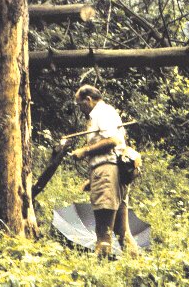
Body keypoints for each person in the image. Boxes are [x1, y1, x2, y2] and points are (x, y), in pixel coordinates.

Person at [70, 84, 138, 257]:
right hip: (111, 172)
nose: (80, 109)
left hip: (109, 173)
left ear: (88, 99)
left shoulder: (102, 112)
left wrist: (84, 150)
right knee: (122, 231)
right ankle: (138, 267)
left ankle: (100, 272)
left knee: (103, 230)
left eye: (80, 105)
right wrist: (92, 180)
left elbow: (113, 140)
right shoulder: (104, 113)